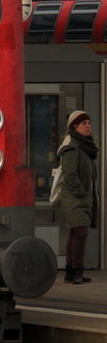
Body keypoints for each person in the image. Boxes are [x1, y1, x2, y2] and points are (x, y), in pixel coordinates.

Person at [58, 110, 98, 284]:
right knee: (80, 231)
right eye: (84, 123)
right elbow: (69, 173)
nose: (88, 126)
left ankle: (70, 271)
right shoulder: (72, 146)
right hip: (74, 195)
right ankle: (77, 271)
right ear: (75, 126)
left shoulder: (84, 145)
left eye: (89, 123)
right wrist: (81, 192)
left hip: (81, 195)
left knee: (75, 232)